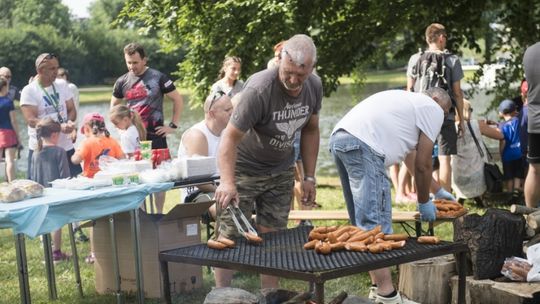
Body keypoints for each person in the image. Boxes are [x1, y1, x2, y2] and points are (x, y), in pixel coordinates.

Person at [214, 34, 322, 289]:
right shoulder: (259, 89)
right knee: (229, 235)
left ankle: (269, 294)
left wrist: (309, 176)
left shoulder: (315, 86)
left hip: (282, 170)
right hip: (245, 169)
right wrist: (227, 183)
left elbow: (311, 130)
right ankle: (220, 295)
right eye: (288, 72)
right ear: (280, 59)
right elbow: (228, 139)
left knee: (274, 236)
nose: (294, 80)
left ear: (312, 68)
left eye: (301, 74)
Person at [329, 88, 452, 304]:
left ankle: (378, 290)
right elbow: (424, 165)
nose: (442, 120)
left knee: (362, 227)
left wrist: (438, 192)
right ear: (435, 100)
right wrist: (423, 202)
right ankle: (389, 296)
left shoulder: (407, 107)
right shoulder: (432, 108)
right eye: (445, 112)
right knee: (375, 226)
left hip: (341, 138)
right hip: (364, 144)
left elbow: (413, 161)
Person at [111, 42, 184, 213]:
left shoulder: (159, 77)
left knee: (160, 178)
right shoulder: (122, 81)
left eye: (135, 62)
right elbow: (114, 106)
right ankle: (142, 215)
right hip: (136, 138)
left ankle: (159, 214)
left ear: (144, 60)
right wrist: (119, 128)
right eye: (128, 62)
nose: (132, 66)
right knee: (138, 177)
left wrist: (172, 125)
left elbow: (178, 99)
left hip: (156, 135)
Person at [406, 23, 465, 193]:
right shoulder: (452, 60)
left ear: (427, 38)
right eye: (445, 37)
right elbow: (457, 93)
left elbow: (409, 89)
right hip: (445, 117)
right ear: (440, 38)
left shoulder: (415, 59)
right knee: (445, 159)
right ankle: (445, 200)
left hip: (420, 116)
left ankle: (421, 196)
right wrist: (460, 119)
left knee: (419, 158)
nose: (445, 40)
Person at [71, 112, 125, 264]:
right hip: (110, 184)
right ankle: (117, 249)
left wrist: (76, 152)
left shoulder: (87, 143)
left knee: (95, 221)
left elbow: (75, 160)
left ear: (87, 128)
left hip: (93, 185)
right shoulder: (112, 140)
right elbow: (123, 159)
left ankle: (94, 253)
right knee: (112, 218)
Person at [20, 53, 82, 179]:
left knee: (75, 186)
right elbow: (31, 120)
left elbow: (71, 110)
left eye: (57, 67)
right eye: (52, 69)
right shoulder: (29, 90)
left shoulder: (62, 85)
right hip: (43, 149)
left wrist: (70, 122)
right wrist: (58, 127)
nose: (56, 71)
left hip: (65, 146)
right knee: (42, 189)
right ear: (40, 70)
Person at [177, 91, 233, 220]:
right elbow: (200, 182)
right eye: (227, 110)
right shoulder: (197, 136)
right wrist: (225, 188)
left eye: (232, 108)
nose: (232, 113)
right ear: (212, 113)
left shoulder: (227, 132)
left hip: (221, 187)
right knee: (228, 205)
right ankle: (226, 237)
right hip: (197, 194)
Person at [31, 117, 71, 262]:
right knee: (56, 224)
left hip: (41, 194)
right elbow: (65, 177)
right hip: (56, 194)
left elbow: (33, 176)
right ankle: (56, 253)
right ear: (54, 134)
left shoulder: (36, 152)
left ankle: (48, 250)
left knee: (45, 221)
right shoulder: (59, 151)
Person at [451, 99, 503, 205]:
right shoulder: (476, 125)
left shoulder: (450, 127)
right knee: (477, 167)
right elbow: (500, 136)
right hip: (476, 172)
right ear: (466, 110)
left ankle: (461, 197)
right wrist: (498, 126)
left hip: (457, 173)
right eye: (471, 109)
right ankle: (479, 197)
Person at [497, 99, 525, 192]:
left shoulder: (501, 126)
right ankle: (518, 192)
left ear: (501, 113)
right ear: (514, 110)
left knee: (509, 177)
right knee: (518, 175)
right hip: (519, 153)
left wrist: (501, 153)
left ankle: (510, 195)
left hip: (507, 156)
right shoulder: (518, 120)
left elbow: (503, 142)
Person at [0, 78, 21, 182]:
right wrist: (18, 138)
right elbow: (13, 121)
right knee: (9, 160)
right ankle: (12, 183)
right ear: (4, 87)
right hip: (8, 132)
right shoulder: (8, 102)